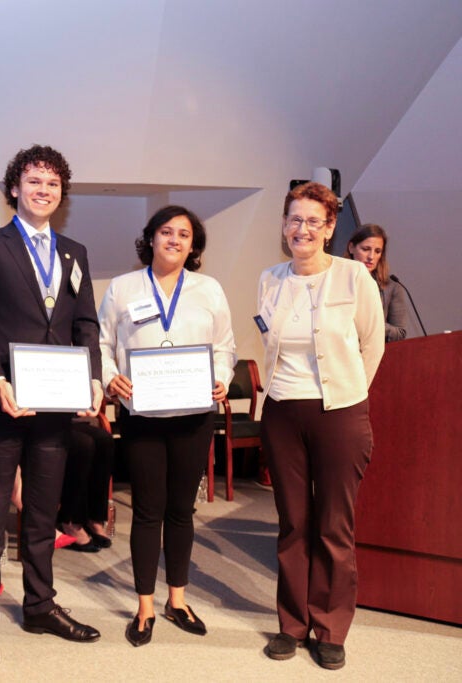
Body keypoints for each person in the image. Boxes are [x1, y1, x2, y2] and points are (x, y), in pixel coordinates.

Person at [0, 144, 103, 668]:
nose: (43, 190)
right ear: (15, 188)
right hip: (1, 404)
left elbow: (85, 324)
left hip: (55, 406)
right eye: (34, 181)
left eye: (53, 183)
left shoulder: (74, 253)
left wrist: (92, 377)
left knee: (42, 515)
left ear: (62, 194)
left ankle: (40, 605)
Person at [257, 182, 384, 670]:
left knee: (334, 525)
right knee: (293, 523)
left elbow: (372, 345)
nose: (302, 229)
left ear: (330, 228)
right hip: (282, 412)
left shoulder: (354, 277)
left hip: (340, 413)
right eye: (295, 219)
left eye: (313, 221)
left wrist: (349, 395)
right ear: (284, 224)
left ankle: (330, 628)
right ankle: (291, 624)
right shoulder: (270, 278)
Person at [98, 205, 235, 646]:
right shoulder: (122, 287)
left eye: (184, 234)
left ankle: (178, 600)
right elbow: (102, 343)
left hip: (194, 416)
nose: (174, 240)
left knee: (181, 510)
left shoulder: (209, 289)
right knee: (147, 510)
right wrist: (110, 378)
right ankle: (145, 607)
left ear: (193, 246)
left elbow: (225, 346)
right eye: (166, 231)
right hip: (142, 416)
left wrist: (222, 377)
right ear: (151, 238)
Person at [57, 419, 115, 552]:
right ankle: (70, 521)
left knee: (104, 440)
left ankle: (94, 518)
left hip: (64, 419)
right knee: (82, 444)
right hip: (39, 421)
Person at [345, 223, 408, 342]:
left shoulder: (392, 287)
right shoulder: (333, 280)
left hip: (376, 351)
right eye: (366, 249)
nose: (371, 256)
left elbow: (400, 333)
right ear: (351, 247)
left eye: (378, 251)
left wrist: (371, 322)